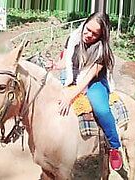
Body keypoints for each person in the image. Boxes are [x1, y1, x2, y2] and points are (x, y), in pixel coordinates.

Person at [46, 12, 122, 170]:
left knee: (101, 109)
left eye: (95, 34)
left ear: (102, 36)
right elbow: (66, 62)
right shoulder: (73, 38)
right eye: (87, 30)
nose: (89, 35)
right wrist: (55, 66)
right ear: (85, 23)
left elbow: (87, 79)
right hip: (72, 76)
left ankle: (114, 146)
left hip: (93, 82)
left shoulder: (102, 51)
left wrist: (70, 96)